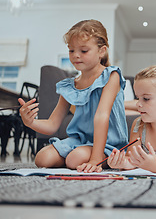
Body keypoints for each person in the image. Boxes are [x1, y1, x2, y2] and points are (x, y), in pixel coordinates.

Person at [18, 19, 128, 173]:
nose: (76, 55)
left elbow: (101, 116)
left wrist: (96, 160)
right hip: (79, 141)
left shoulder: (111, 75)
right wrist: (30, 122)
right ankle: (76, 158)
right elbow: (52, 124)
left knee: (73, 159)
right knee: (41, 159)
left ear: (101, 51)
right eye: (71, 50)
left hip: (107, 143)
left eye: (83, 51)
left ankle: (87, 159)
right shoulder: (69, 85)